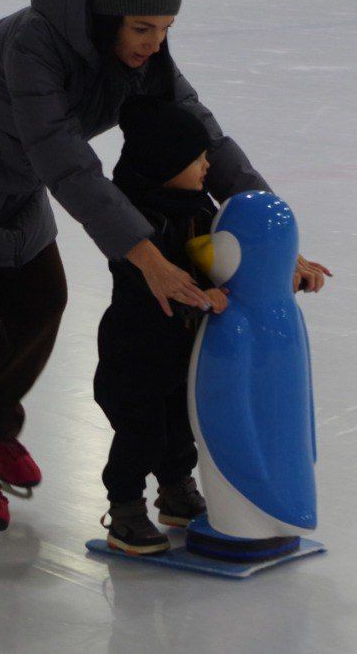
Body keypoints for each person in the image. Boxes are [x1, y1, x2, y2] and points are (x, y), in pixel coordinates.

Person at [0, 0, 332, 536]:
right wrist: (147, 256)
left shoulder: (143, 51)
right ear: (109, 17)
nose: (154, 43)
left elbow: (204, 137)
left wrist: (279, 244)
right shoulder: (33, 48)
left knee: (41, 304)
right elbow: (67, 162)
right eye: (142, 29)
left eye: (165, 30)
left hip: (11, 179)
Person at [94, 97, 227, 554]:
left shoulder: (197, 208)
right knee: (142, 434)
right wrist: (202, 295)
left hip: (180, 351)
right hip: (136, 355)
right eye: (197, 159)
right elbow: (158, 279)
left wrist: (284, 269)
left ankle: (175, 491)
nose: (208, 166)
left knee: (181, 425)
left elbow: (229, 256)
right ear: (164, 163)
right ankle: (126, 509)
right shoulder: (137, 223)